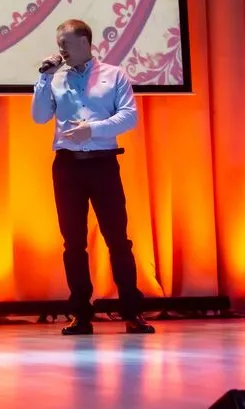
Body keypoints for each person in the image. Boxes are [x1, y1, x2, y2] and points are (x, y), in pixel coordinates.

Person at [30, 19, 156, 335]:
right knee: (73, 243)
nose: (60, 49)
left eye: (66, 43)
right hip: (67, 166)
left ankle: (132, 312)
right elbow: (40, 117)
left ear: (85, 42)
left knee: (118, 240)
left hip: (103, 164)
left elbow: (129, 116)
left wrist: (93, 130)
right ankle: (81, 315)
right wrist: (44, 79)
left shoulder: (114, 75)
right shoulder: (55, 78)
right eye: (59, 43)